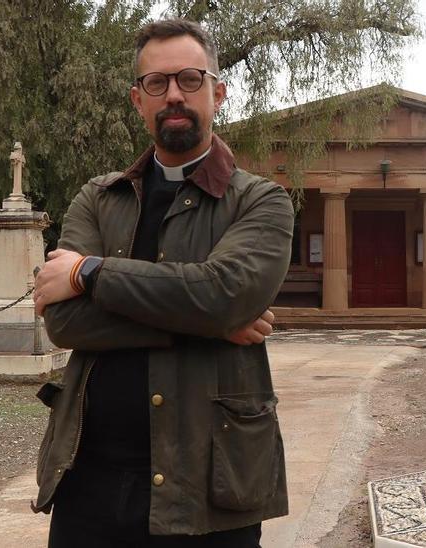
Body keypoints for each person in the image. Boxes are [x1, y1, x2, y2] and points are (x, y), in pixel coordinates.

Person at [29, 18, 293, 547]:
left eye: (190, 80)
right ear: (138, 100)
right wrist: (211, 325)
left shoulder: (260, 201)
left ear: (218, 93)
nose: (174, 95)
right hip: (89, 480)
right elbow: (65, 320)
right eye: (157, 84)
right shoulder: (98, 200)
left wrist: (88, 272)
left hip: (211, 486)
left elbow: (224, 294)